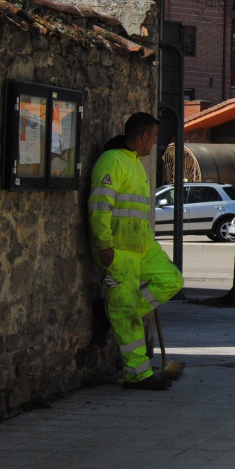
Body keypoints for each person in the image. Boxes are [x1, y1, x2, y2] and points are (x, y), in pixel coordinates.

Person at [87, 111, 184, 390]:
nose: (154, 143)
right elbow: (99, 207)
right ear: (142, 136)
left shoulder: (136, 163)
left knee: (172, 280)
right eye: (153, 137)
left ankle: (114, 313)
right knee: (126, 311)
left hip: (142, 246)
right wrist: (105, 245)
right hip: (119, 251)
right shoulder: (113, 161)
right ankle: (137, 374)